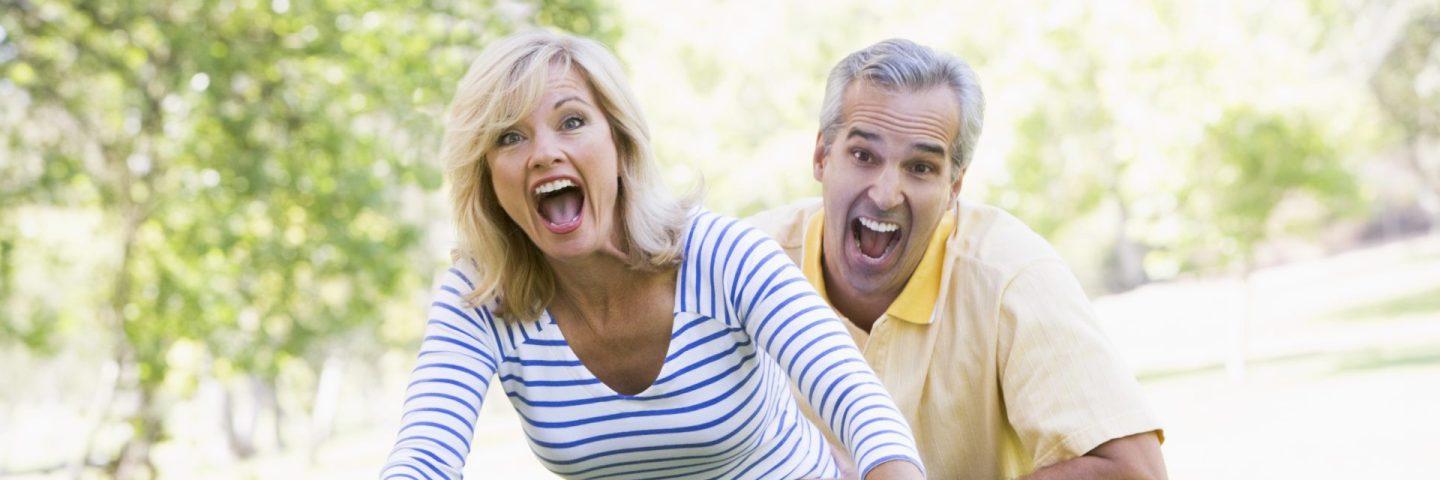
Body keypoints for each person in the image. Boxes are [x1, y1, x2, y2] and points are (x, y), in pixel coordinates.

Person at [381, 31, 926, 480]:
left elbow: (865, 412)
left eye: (572, 122)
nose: (545, 153)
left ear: (619, 144)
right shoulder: (479, 296)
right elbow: (423, 459)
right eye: (509, 138)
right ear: (488, 177)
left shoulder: (720, 255)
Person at [746, 39, 1167, 479]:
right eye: (863, 156)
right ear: (821, 157)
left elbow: (1134, 471)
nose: (886, 194)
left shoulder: (1010, 275)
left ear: (955, 187)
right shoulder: (748, 265)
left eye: (921, 167)